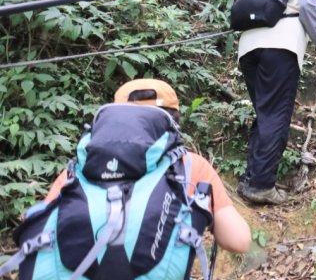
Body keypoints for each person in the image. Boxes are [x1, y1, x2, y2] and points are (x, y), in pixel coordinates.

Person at [44, 79, 251, 253]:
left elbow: (42, 234)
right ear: (174, 122)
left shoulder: (82, 166)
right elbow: (238, 241)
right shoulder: (190, 165)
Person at [237, 0, 316, 205]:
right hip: (279, 49)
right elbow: (308, 7)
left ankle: (251, 178)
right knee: (276, 116)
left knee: (265, 114)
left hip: (248, 49)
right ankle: (261, 185)